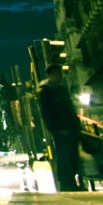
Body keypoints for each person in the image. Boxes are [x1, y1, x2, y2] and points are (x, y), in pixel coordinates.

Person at [36, 64, 82, 192]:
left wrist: (75, 124)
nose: (60, 76)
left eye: (60, 73)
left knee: (72, 155)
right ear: (50, 75)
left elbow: (69, 108)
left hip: (70, 127)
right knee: (65, 156)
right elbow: (47, 112)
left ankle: (71, 181)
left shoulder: (61, 89)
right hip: (61, 129)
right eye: (57, 73)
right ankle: (67, 182)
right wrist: (55, 127)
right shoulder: (46, 90)